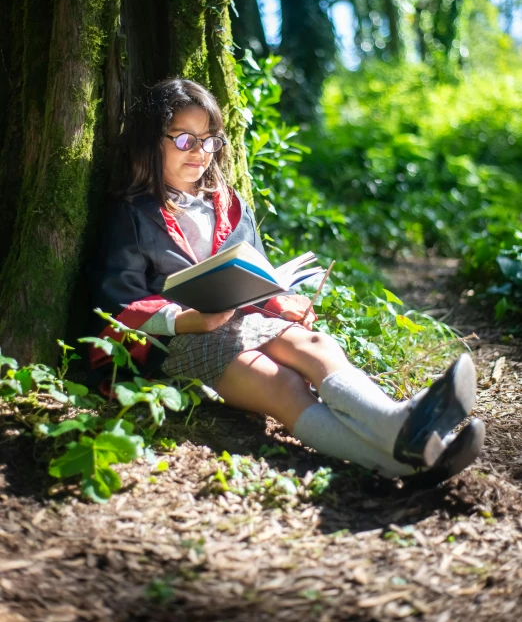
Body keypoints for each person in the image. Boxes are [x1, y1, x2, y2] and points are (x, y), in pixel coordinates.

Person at [88, 78, 485, 483]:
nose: (201, 153)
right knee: (281, 385)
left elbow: (253, 272)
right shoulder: (134, 214)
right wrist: (187, 319)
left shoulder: (227, 205)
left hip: (241, 320)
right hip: (179, 344)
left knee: (315, 344)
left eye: (209, 141)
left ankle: (397, 424)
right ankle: (401, 459)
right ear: (151, 142)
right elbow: (119, 303)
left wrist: (280, 301)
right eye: (185, 140)